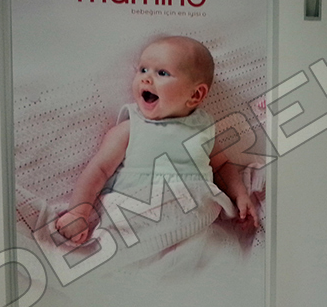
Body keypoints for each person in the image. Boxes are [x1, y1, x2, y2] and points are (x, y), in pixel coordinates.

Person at [55, 35, 258, 250]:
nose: (146, 78)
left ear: (196, 94)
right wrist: (78, 212)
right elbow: (99, 170)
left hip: (192, 222)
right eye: (143, 70)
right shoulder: (130, 128)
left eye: (161, 73)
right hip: (136, 219)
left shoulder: (203, 128)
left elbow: (222, 165)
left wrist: (240, 194)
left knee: (213, 253)